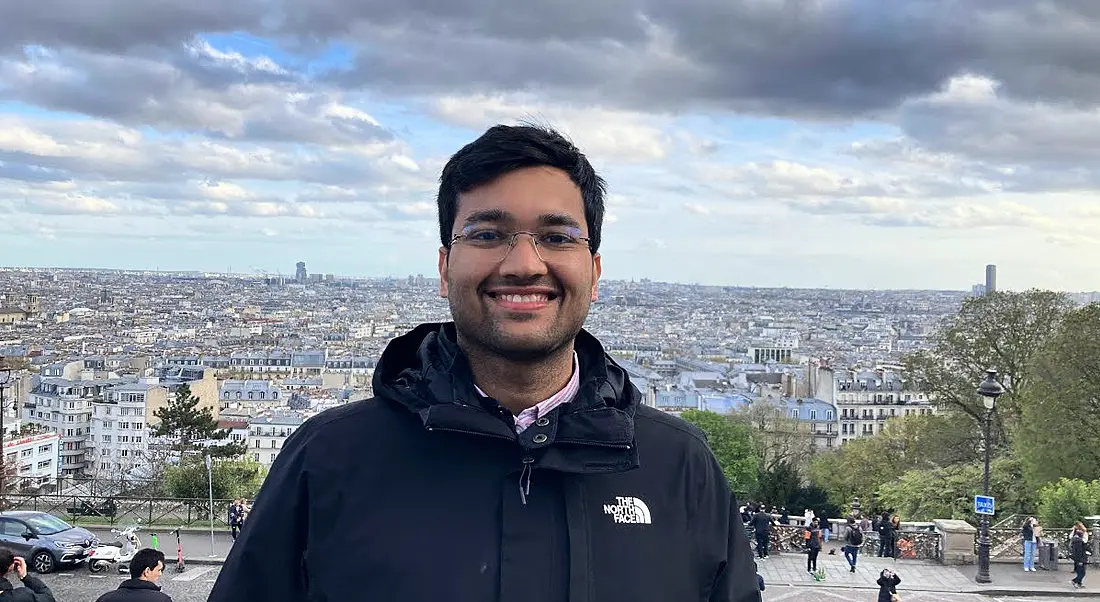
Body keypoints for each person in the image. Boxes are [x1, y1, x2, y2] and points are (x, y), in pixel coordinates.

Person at [207, 124, 762, 602]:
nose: (524, 262)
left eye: (555, 236)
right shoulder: (326, 459)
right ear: (446, 266)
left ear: (593, 270)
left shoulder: (681, 467)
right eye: (489, 234)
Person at [94, 548, 172, 602]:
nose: (160, 574)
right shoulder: (162, 599)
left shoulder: (106, 599)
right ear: (147, 571)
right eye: (159, 570)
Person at [1071, 522, 1088, 589]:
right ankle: (1074, 581)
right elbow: (1080, 550)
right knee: (1082, 572)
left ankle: (1078, 583)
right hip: (1081, 557)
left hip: (1077, 557)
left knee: (1080, 571)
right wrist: (1080, 560)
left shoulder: (1074, 539)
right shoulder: (1080, 542)